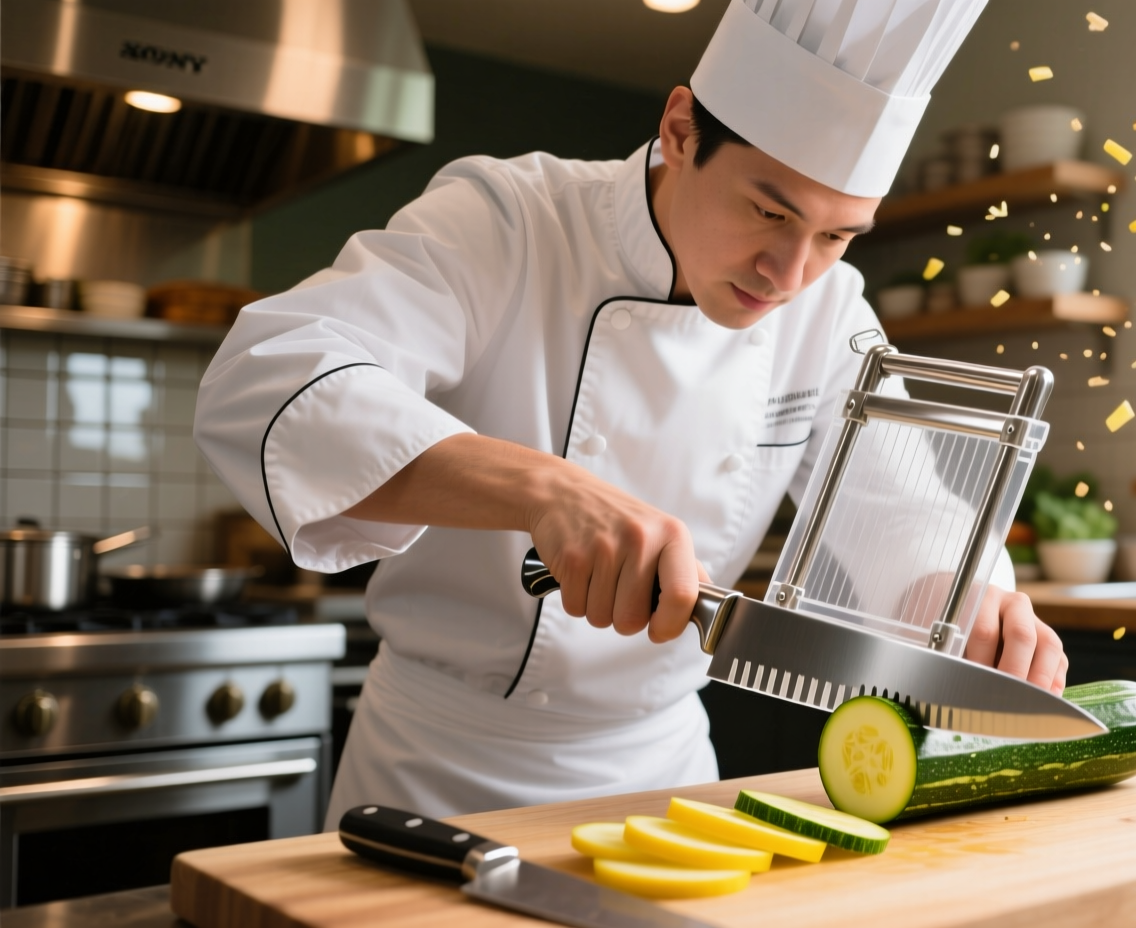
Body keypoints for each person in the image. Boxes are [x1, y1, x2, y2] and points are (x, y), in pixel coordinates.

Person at [195, 0, 1068, 829]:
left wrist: (959, 597)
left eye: (838, 236)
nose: (788, 274)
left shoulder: (828, 310)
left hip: (662, 773)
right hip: (435, 770)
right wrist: (546, 489)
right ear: (681, 130)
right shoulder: (510, 220)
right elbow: (269, 375)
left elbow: (901, 503)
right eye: (768, 210)